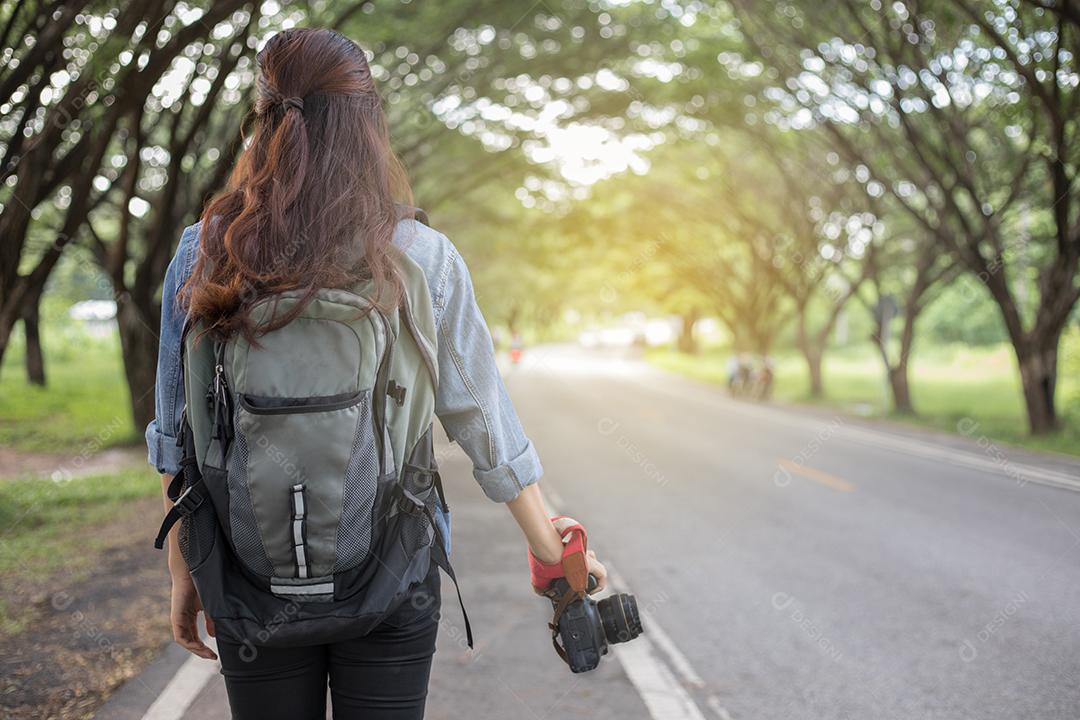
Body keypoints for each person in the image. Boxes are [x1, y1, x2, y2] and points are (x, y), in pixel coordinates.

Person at [145, 28, 606, 720]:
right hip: (392, 575)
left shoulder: (205, 250)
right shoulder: (420, 254)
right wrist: (551, 554)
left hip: (248, 578)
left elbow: (175, 434)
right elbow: (483, 420)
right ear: (369, 123)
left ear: (263, 118)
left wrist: (185, 571)